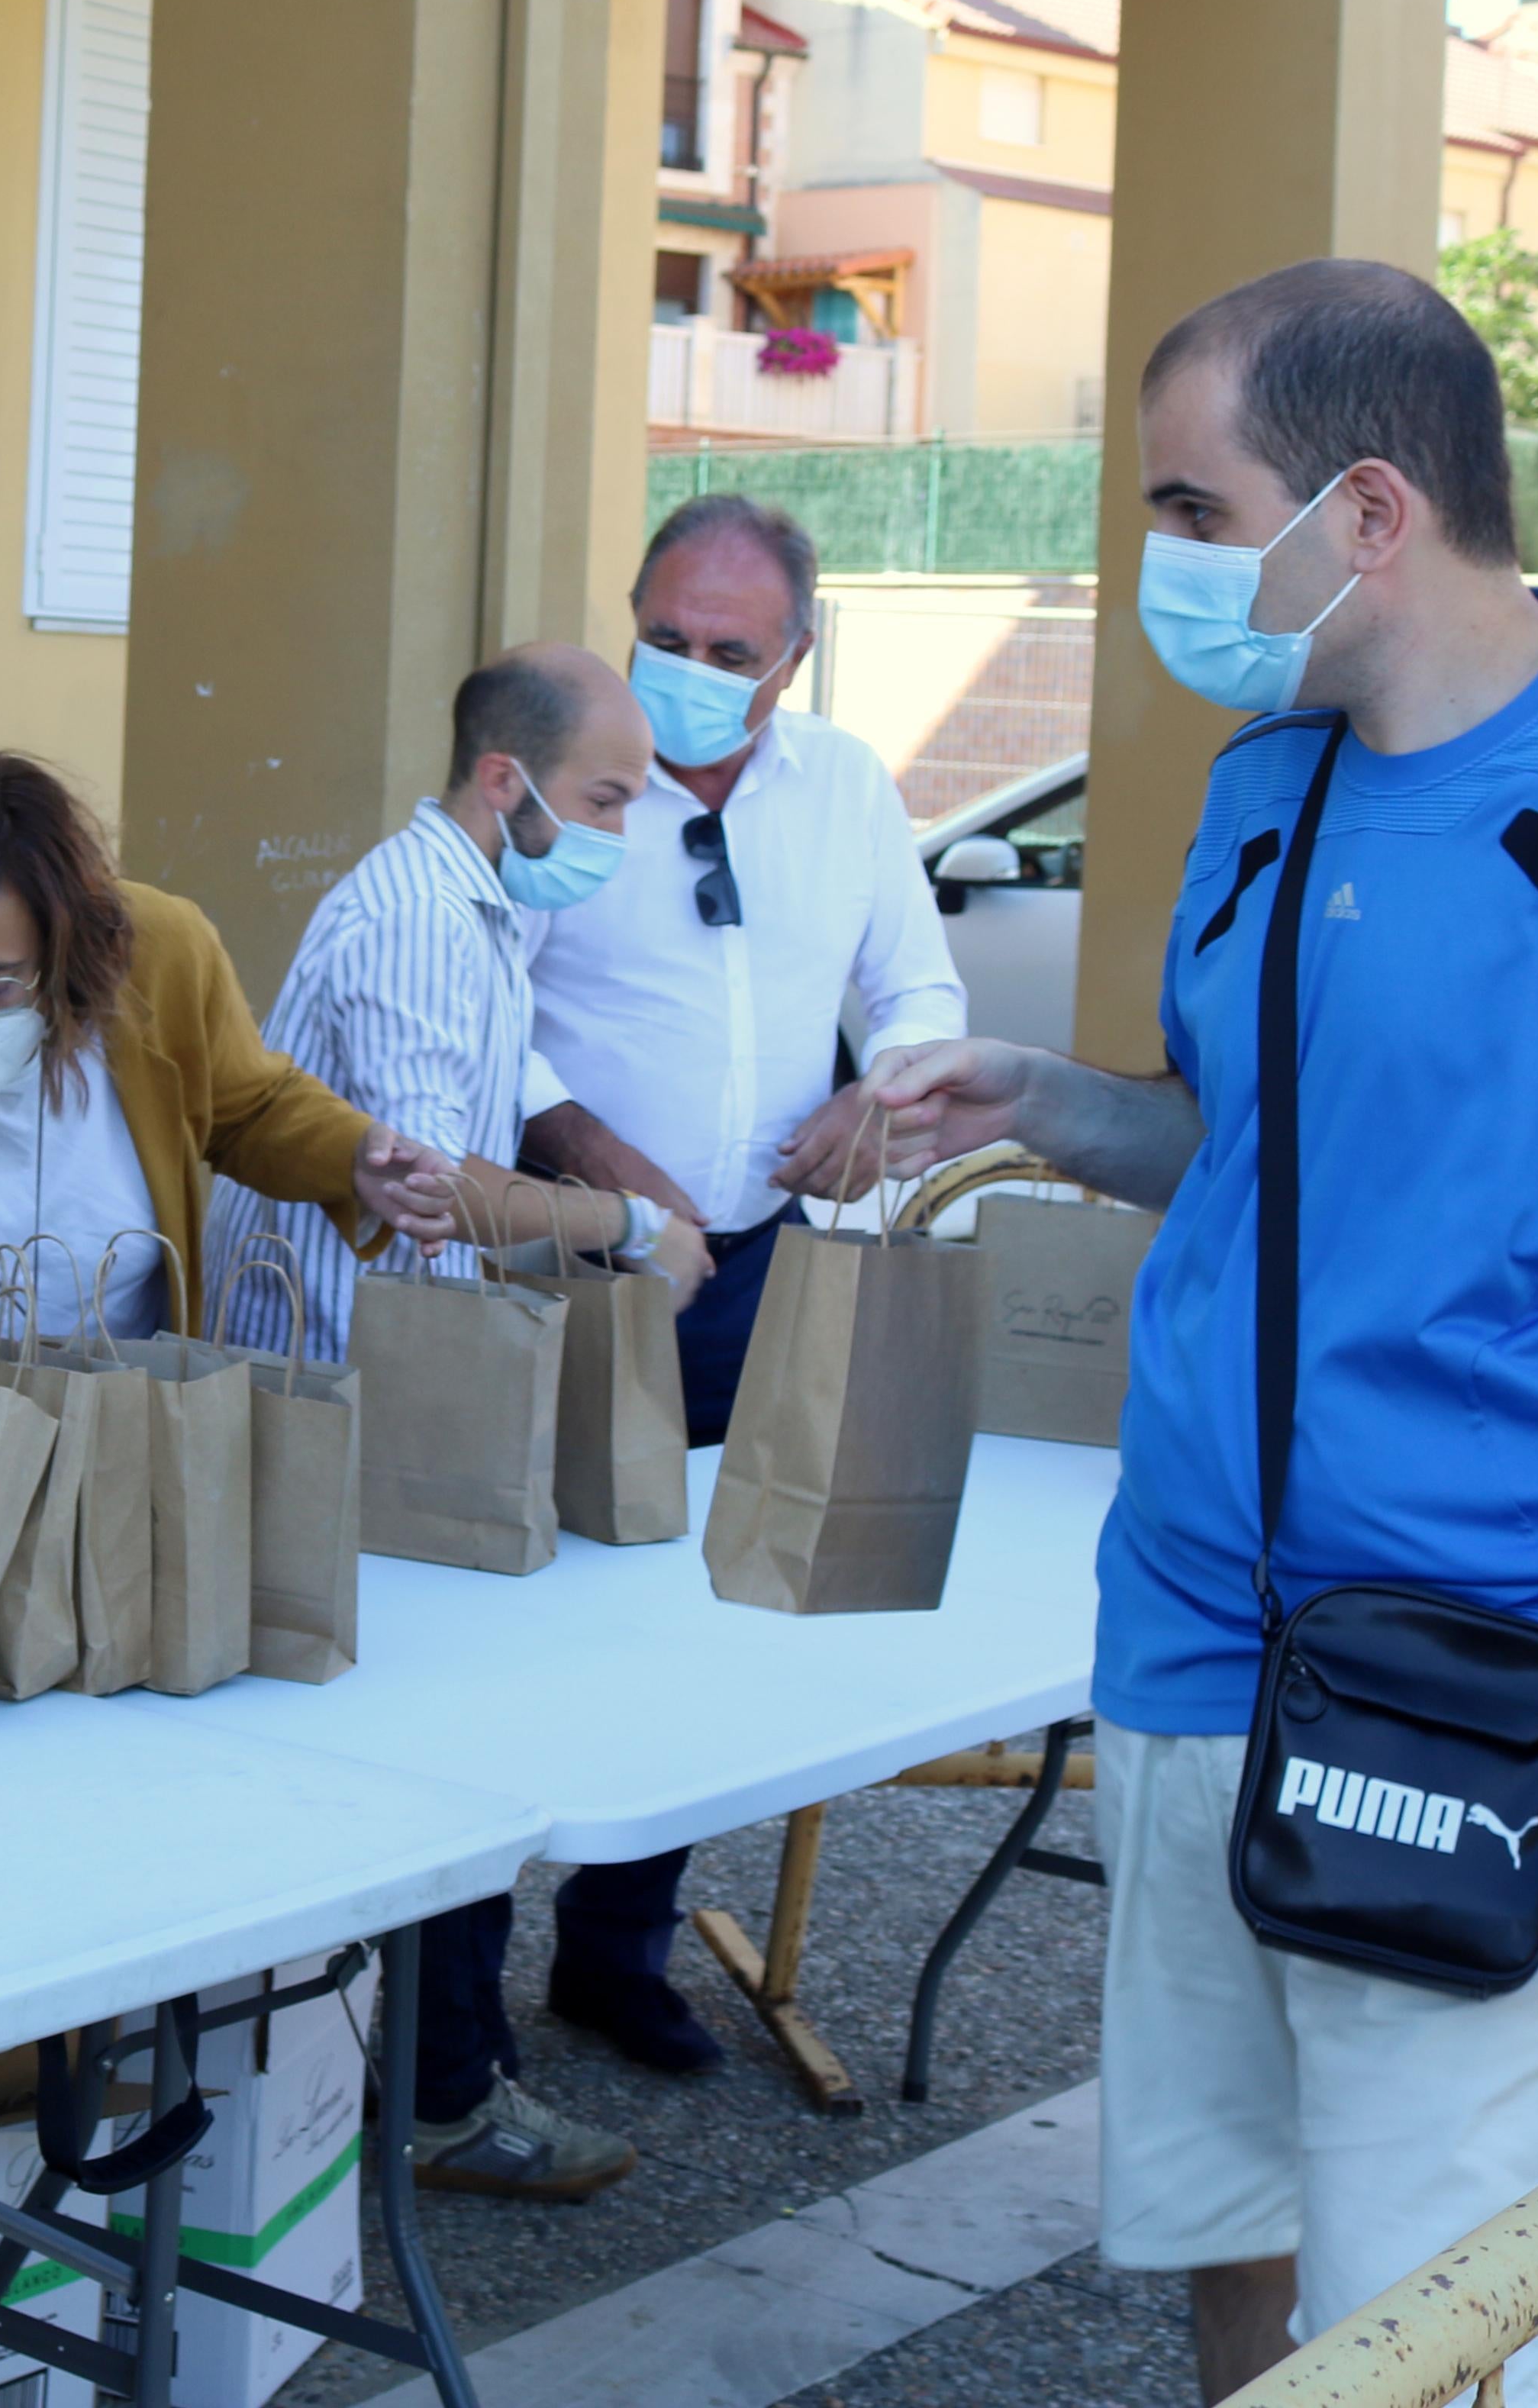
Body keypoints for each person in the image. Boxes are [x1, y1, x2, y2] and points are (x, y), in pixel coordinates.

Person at [865, 258, 1538, 2408]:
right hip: (1195, 1641)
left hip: (1496, 1673)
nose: (1157, 565)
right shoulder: (1266, 780)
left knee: (1434, 2323)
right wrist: (1050, 1106)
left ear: (1373, 510)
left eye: (1190, 508)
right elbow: (1250, 1148)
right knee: (1232, 2234)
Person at [195, 644, 710, 2204]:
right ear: (509, 781)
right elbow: (427, 1189)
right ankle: (437, 2088)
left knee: (444, 1727)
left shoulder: (477, 903)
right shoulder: (426, 914)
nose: (624, 826)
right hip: (358, 1372)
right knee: (443, 1743)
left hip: (391, 1370)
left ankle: (433, 2062)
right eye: (608, 796)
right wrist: (627, 1221)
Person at [506, 492, 969, 2073]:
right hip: (560, 1257)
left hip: (748, 1272)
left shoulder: (842, 788)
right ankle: (438, 2010)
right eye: (667, 637)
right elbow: (480, 994)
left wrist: (883, 1092)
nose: (693, 669)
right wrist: (584, 1147)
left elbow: (915, 981)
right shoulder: (564, 772)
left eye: (731, 649)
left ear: (795, 659)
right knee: (512, 1615)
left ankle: (615, 1950)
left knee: (697, 1626)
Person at [0, 749, 460, 1486]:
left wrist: (351, 1155)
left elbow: (244, 1102)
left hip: (121, 1436)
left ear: (71, 951)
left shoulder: (163, 956)